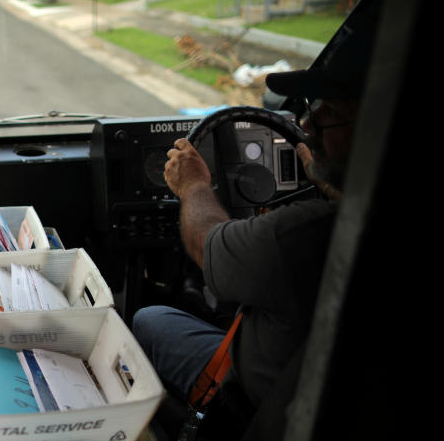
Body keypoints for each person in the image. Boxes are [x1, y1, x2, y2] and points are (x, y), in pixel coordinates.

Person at [132, 37, 365, 420]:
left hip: (255, 407)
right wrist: (335, 184)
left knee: (148, 319)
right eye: (311, 111)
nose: (306, 125)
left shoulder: (299, 234)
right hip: (327, 398)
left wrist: (193, 187)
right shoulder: (349, 211)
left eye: (329, 114)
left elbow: (207, 248)